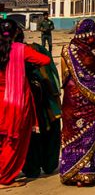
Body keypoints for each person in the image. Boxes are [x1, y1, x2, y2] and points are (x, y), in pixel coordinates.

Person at [0, 18, 52, 185]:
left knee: (3, 139)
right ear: (17, 32)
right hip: (16, 102)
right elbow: (45, 61)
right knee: (14, 141)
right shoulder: (20, 49)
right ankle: (5, 177)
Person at [57, 18, 95, 186]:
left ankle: (70, 173)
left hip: (72, 99)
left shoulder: (67, 50)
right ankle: (86, 174)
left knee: (72, 132)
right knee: (87, 134)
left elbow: (64, 77)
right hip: (92, 101)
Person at [21, 25, 60, 182]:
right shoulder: (33, 49)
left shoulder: (9, 52)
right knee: (47, 129)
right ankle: (48, 164)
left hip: (20, 100)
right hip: (42, 97)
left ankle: (30, 167)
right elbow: (49, 66)